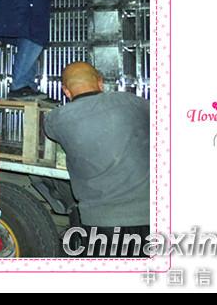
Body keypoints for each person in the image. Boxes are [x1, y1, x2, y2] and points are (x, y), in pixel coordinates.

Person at [43, 62, 149, 257]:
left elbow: (50, 131)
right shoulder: (133, 102)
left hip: (101, 223)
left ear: (66, 91)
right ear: (100, 83)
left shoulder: (57, 119)